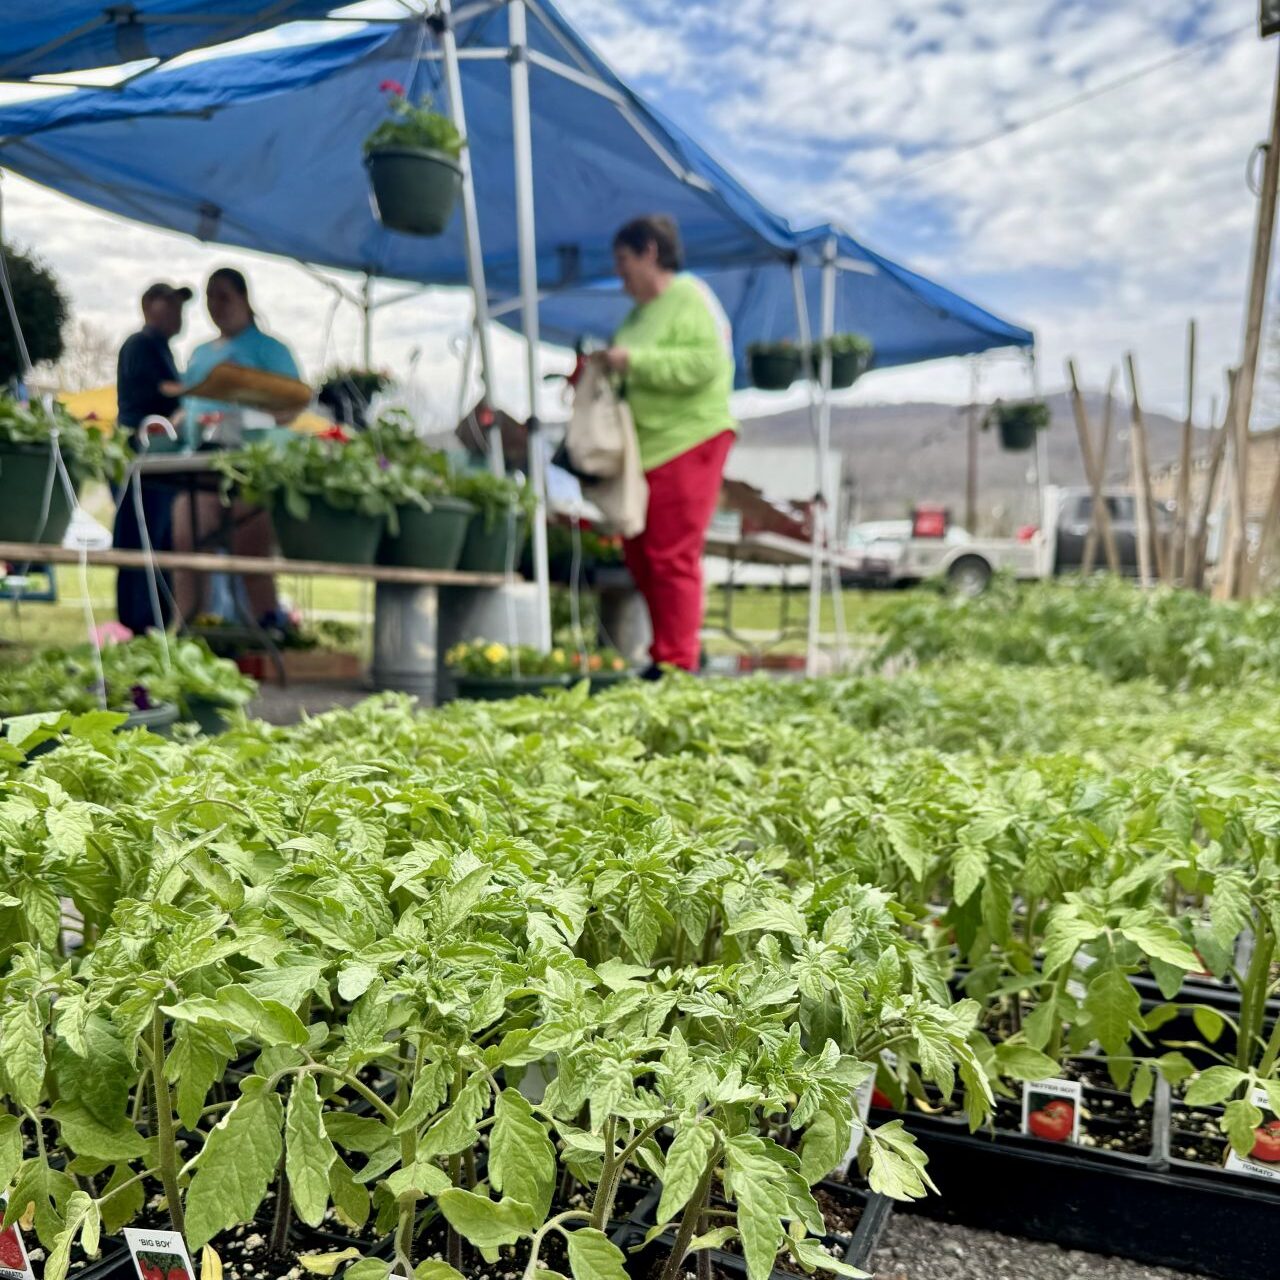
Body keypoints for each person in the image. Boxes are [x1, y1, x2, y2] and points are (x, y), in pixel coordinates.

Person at [601, 215, 737, 676]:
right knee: (640, 553)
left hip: (689, 438)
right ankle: (664, 652)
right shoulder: (636, 316)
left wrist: (634, 360)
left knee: (672, 554)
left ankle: (677, 665)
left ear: (650, 252)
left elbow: (704, 363)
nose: (619, 273)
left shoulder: (690, 298)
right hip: (645, 450)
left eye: (623, 260)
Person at [169, 267, 304, 623]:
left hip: (250, 465)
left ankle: (265, 635)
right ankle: (187, 630)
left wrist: (253, 418)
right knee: (186, 542)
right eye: (210, 296)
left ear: (244, 298)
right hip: (198, 464)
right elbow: (188, 408)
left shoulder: (270, 349)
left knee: (251, 553)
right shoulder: (198, 353)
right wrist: (166, 428)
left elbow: (292, 405)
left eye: (224, 295)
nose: (216, 304)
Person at [112, 280, 192, 634]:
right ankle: (140, 623)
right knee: (141, 538)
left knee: (160, 540)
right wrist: (203, 391)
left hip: (161, 460)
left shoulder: (163, 350)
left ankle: (158, 620)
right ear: (149, 306)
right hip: (143, 454)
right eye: (170, 305)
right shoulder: (141, 344)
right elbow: (163, 393)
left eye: (180, 307)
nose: (178, 314)